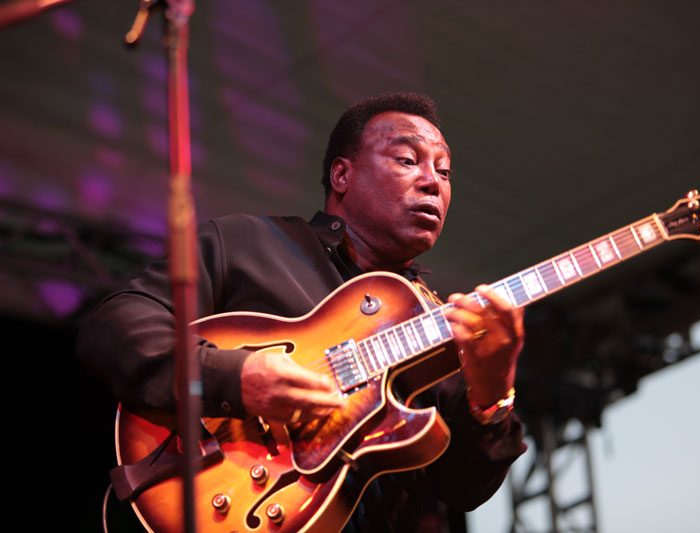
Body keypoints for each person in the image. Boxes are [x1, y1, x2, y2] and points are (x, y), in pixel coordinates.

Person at [78, 92, 527, 532]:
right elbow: (114, 327)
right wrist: (234, 378)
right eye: (408, 160)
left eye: (444, 171)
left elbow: (462, 489)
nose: (434, 181)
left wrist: (491, 398)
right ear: (341, 175)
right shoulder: (245, 244)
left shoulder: (440, 328)